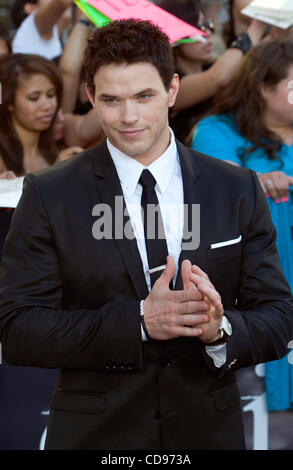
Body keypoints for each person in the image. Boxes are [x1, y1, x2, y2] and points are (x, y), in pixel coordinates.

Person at [0, 19, 292, 451]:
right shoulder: (50, 194)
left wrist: (220, 330)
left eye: (144, 96)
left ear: (173, 90)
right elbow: (18, 330)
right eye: (111, 100)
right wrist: (139, 322)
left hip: (208, 434)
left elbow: (278, 315)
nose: (128, 116)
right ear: (89, 98)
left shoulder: (234, 187)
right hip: (95, 438)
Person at [192, 39, 293, 412]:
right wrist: (259, 180)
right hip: (251, 287)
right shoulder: (215, 131)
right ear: (264, 88)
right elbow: (213, 183)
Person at [157, 0, 267, 144]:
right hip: (196, 163)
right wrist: (259, 24)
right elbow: (217, 78)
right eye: (198, 28)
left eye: (207, 25)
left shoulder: (212, 67)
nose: (207, 33)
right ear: (176, 36)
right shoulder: (171, 84)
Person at [0, 53, 62, 177]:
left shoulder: (57, 147)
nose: (47, 106)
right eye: (34, 98)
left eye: (51, 95)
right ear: (9, 103)